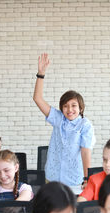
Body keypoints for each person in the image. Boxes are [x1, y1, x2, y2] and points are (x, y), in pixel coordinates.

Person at [33, 53, 95, 187]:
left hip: (74, 180)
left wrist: (87, 178)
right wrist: (41, 74)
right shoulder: (58, 119)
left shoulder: (85, 125)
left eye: (73, 106)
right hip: (52, 177)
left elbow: (85, 152)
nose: (69, 109)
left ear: (81, 108)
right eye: (65, 106)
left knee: (72, 208)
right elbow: (37, 99)